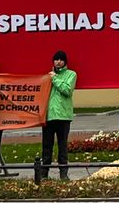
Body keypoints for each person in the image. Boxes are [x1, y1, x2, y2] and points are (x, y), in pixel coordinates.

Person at [42, 50, 76, 180]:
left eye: (61, 59)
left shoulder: (71, 74)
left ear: (65, 61)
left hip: (63, 117)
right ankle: (44, 174)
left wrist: (55, 79)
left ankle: (63, 174)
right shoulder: (48, 76)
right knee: (46, 147)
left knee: (62, 146)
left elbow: (67, 90)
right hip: (49, 116)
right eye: (56, 59)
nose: (58, 62)